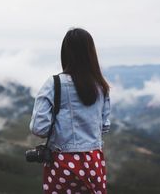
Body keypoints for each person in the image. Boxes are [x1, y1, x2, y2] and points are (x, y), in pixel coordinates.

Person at [29, 28, 111, 194]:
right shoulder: (101, 86)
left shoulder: (54, 83)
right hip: (94, 160)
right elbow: (104, 127)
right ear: (91, 53)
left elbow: (39, 127)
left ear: (65, 53)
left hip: (63, 161)